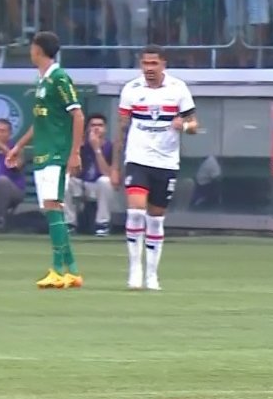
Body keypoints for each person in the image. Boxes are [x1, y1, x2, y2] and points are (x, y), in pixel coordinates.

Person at [111, 45, 197, 290]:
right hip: (138, 158)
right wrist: (116, 166)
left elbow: (194, 124)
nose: (149, 68)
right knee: (135, 212)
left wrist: (184, 126)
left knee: (156, 219)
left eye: (153, 63)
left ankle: (152, 274)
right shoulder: (131, 89)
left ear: (163, 64)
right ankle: (134, 271)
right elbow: (122, 129)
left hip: (166, 161)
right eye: (145, 63)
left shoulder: (178, 89)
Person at [6, 31, 86, 289]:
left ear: (38, 50)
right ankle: (72, 271)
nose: (30, 52)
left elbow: (78, 115)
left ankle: (57, 270)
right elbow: (40, 121)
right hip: (43, 151)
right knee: (53, 209)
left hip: (56, 153)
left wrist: (74, 152)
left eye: (32, 47)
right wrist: (18, 146)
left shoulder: (59, 78)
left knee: (53, 207)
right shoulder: (42, 80)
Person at [68, 113, 116, 236]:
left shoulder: (110, 146)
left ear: (105, 129)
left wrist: (97, 149)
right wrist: (77, 148)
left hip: (97, 185)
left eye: (100, 125)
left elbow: (107, 173)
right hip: (80, 183)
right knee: (66, 180)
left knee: (105, 181)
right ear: (87, 128)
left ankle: (102, 224)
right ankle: (69, 223)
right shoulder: (80, 145)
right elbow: (72, 172)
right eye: (93, 125)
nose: (96, 128)